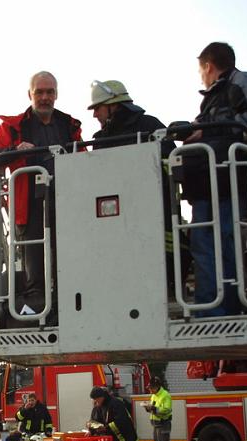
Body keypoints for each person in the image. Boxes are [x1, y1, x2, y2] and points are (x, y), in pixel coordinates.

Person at [182, 42, 247, 317]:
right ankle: (210, 306)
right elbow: (210, 125)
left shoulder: (242, 81)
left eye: (201, 70)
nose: (201, 77)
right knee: (204, 242)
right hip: (207, 179)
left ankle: (225, 307)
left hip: (227, 176)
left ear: (208, 66)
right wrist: (193, 131)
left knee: (223, 239)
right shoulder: (213, 97)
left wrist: (208, 133)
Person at [0, 71, 83, 310]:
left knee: (69, 259)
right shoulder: (15, 126)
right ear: (30, 94)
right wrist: (14, 149)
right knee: (35, 266)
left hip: (67, 202)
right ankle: (39, 312)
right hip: (28, 205)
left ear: (57, 94)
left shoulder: (69, 125)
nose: (45, 97)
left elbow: (83, 157)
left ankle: (68, 309)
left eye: (49, 92)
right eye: (39, 92)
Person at [88, 80, 188, 298]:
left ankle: (169, 290)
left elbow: (170, 165)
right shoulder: (100, 139)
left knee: (165, 256)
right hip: (113, 219)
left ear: (112, 104)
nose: (95, 114)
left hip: (156, 215)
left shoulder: (151, 127)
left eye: (97, 108)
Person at [143, 377, 173, 441]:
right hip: (156, 425)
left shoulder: (165, 395)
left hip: (163, 424)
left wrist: (154, 408)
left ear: (156, 387)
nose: (149, 390)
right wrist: (149, 408)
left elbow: (167, 409)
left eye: (151, 388)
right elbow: (154, 409)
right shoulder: (154, 395)